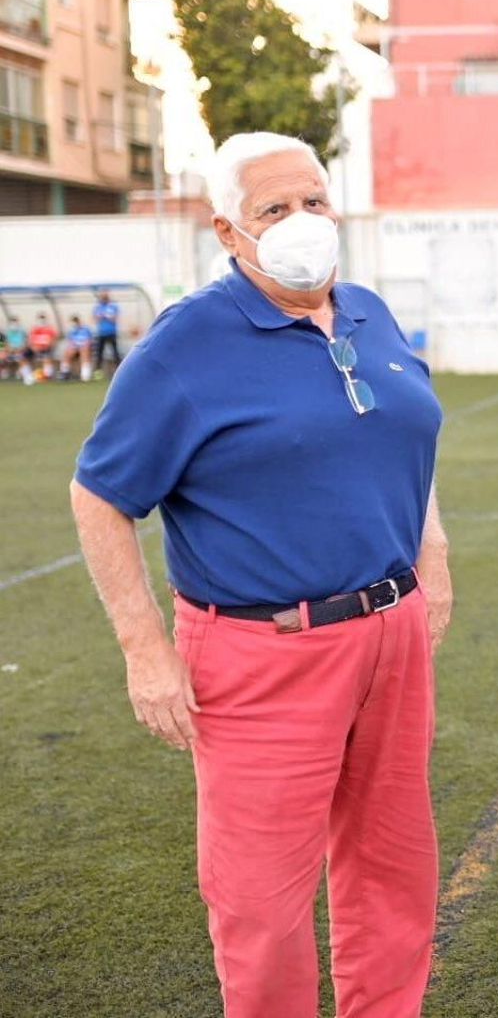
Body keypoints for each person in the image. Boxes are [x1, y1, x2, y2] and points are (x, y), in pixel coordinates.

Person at [70, 131, 453, 1017]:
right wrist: (145, 651)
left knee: (393, 870)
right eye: (273, 209)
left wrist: (430, 550)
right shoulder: (185, 347)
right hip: (262, 650)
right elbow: (100, 497)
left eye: (313, 201)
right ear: (228, 233)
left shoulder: (369, 312)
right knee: (262, 905)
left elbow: (407, 436)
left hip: (392, 636)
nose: (302, 222)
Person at [92, 289, 122, 374]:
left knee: (115, 352)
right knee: (99, 353)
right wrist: (100, 316)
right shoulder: (98, 307)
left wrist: (107, 316)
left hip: (111, 332)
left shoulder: (113, 306)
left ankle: (119, 370)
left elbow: (114, 318)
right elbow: (95, 318)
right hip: (101, 333)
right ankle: (98, 371)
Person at [26, 313, 58, 382]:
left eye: (43, 319)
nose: (41, 321)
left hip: (46, 348)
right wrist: (33, 347)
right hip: (35, 349)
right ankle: (27, 375)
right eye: (40, 319)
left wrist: (47, 346)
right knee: (23, 356)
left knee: (47, 357)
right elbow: (30, 341)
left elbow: (53, 341)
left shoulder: (50, 329)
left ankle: (47, 376)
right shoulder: (34, 329)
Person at [61, 315, 94, 381]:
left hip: (84, 348)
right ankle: (65, 372)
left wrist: (82, 346)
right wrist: (74, 348)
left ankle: (85, 375)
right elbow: (71, 342)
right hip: (75, 348)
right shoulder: (72, 331)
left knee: (84, 350)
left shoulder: (85, 329)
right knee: (67, 352)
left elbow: (88, 341)